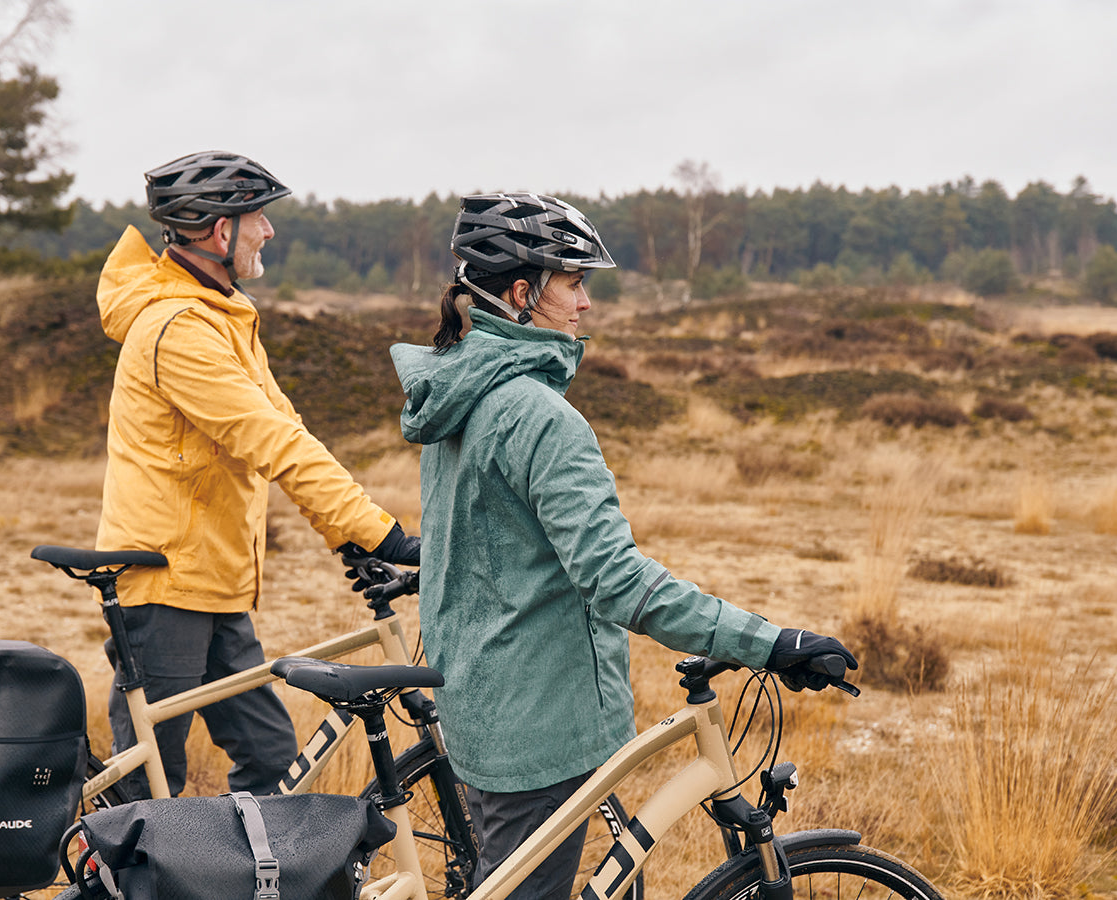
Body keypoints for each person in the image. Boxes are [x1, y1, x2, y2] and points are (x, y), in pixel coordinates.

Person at [384, 192, 857, 899]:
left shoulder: (458, 394)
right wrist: (770, 642)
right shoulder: (541, 419)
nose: (586, 304)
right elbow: (617, 582)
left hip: (479, 713)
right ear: (522, 295)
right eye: (574, 284)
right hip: (536, 734)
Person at [95, 150, 420, 799]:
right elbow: (272, 443)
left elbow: (288, 428)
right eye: (259, 219)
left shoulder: (224, 316)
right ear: (222, 231)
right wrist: (383, 535)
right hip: (165, 590)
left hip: (214, 585)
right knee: (148, 789)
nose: (269, 232)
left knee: (273, 766)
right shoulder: (178, 329)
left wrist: (345, 538)